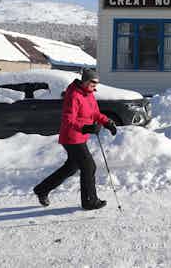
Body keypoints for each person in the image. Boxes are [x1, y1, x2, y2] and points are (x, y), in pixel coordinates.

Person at [33, 69, 117, 210]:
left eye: (97, 83)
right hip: (71, 137)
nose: (95, 86)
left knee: (71, 167)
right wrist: (86, 128)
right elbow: (68, 120)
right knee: (89, 167)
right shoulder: (73, 95)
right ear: (85, 81)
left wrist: (107, 122)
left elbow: (95, 113)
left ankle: (42, 189)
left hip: (79, 137)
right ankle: (90, 201)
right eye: (93, 82)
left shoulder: (89, 94)